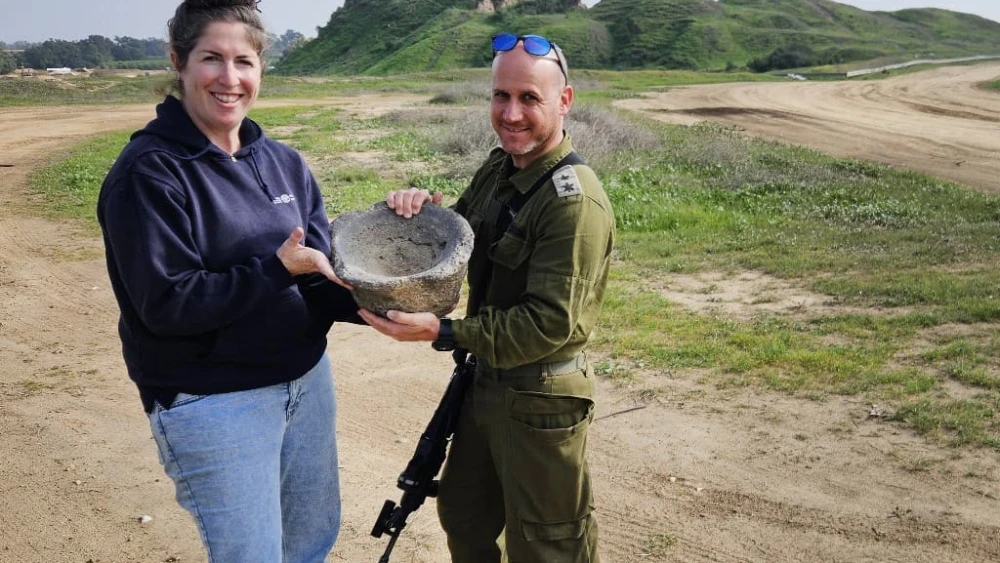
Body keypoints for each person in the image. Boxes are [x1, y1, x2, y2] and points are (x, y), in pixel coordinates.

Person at [96, 1, 359, 561]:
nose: (230, 78)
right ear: (179, 62)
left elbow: (317, 274)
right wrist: (274, 269)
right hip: (212, 401)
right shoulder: (150, 171)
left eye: (244, 60)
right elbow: (167, 304)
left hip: (305, 384)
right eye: (212, 58)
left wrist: (378, 300)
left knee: (309, 544)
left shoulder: (283, 162)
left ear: (262, 67)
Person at [360, 33, 615, 563]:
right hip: (487, 383)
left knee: (547, 546)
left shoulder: (573, 202)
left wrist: (442, 332)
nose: (511, 113)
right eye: (501, 96)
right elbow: (454, 241)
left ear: (563, 101)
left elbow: (548, 324)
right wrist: (417, 210)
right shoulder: (499, 169)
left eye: (529, 98)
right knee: (464, 513)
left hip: (542, 396)